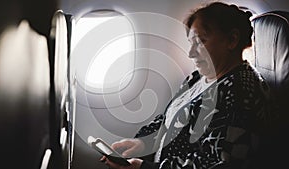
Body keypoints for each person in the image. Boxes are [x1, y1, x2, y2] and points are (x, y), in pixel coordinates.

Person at [101, 2, 270, 169]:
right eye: (191, 43)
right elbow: (169, 120)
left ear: (232, 40)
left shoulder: (240, 91)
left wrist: (145, 167)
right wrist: (142, 143)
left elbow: (218, 163)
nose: (190, 53)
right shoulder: (197, 78)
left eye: (201, 41)